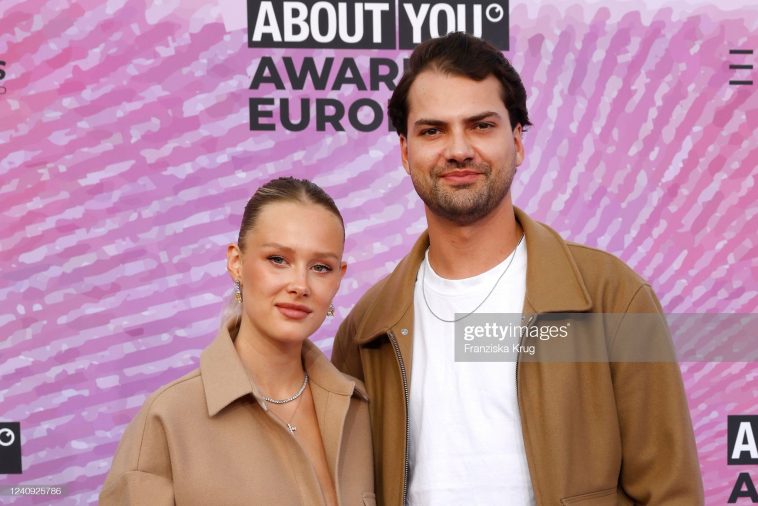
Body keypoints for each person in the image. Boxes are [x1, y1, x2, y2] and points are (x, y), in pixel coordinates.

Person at [331, 32, 703, 505]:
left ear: (518, 141)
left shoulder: (613, 298)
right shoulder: (368, 327)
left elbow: (670, 492)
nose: (459, 149)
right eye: (433, 130)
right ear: (405, 153)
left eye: (481, 125)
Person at [101, 177, 374, 505]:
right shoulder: (169, 418)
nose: (300, 284)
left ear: (339, 278)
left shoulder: (361, 413)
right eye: (278, 260)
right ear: (236, 263)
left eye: (320, 267)